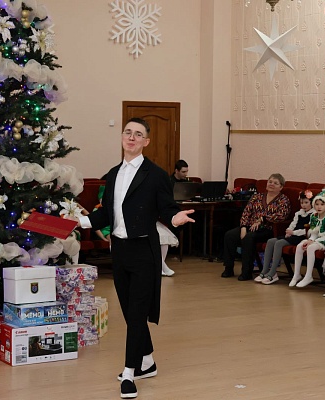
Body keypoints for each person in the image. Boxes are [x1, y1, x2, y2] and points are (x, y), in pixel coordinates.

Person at [77, 117, 194, 399]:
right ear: (122, 137)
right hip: (120, 251)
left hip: (144, 252)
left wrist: (174, 218)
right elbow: (105, 214)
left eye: (138, 134)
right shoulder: (113, 174)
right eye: (128, 132)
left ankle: (130, 372)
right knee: (132, 313)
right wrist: (78, 222)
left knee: (138, 312)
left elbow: (167, 207)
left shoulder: (156, 175)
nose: (132, 137)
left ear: (146, 141)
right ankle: (148, 361)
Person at [221, 173, 290, 281]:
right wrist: (243, 227)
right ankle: (228, 268)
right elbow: (246, 212)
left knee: (249, 237)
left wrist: (263, 219)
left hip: (268, 229)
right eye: (270, 181)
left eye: (275, 183)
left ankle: (246, 271)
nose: (271, 184)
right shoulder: (257, 197)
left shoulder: (283, 200)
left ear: (281, 187)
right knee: (230, 235)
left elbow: (282, 216)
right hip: (249, 226)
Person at [256, 190, 314, 284]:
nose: (303, 205)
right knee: (270, 241)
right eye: (302, 203)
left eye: (306, 202)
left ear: (311, 203)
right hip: (293, 235)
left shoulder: (313, 214)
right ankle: (265, 270)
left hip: (301, 237)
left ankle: (273, 273)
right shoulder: (299, 213)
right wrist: (288, 231)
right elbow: (293, 224)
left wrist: (293, 232)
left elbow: (308, 230)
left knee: (279, 243)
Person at [289, 188, 325, 288]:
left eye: (322, 204)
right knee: (300, 246)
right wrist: (310, 240)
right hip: (316, 240)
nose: (319, 207)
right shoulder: (314, 216)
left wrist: (313, 242)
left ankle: (308, 275)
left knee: (311, 247)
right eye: (317, 204)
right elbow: (314, 232)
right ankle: (296, 274)